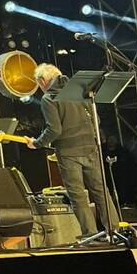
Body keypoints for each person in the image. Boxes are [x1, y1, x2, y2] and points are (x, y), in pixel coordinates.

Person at [25, 63, 116, 237]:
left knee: (78, 196)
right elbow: (95, 118)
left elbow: (55, 130)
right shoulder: (80, 90)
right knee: (101, 191)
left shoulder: (49, 98)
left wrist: (36, 143)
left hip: (68, 152)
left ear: (43, 81)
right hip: (90, 147)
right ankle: (114, 230)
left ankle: (90, 235)